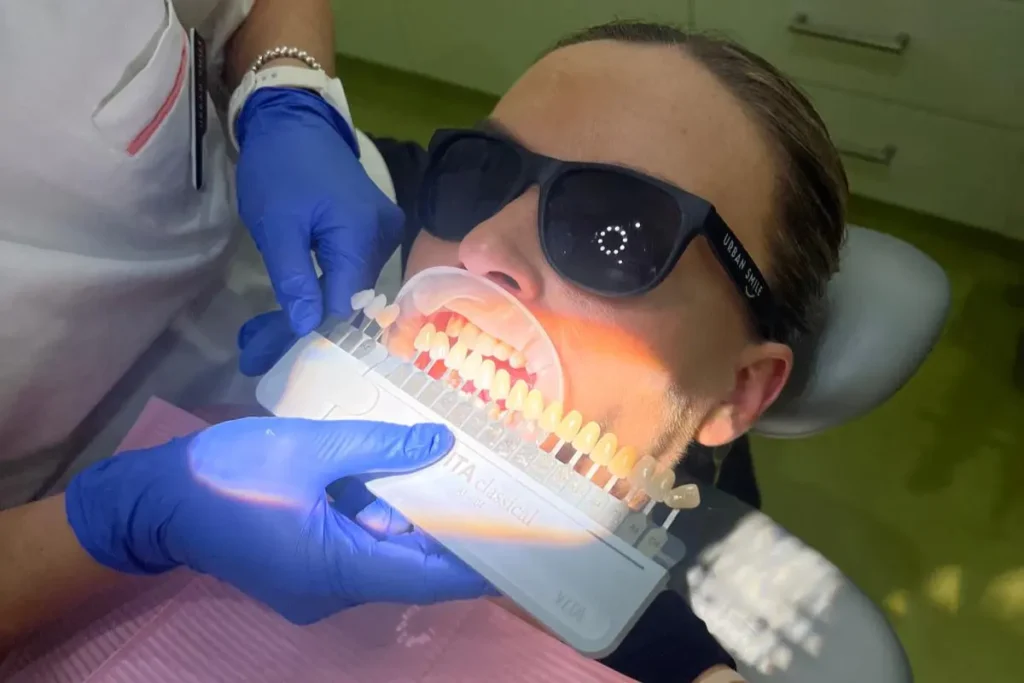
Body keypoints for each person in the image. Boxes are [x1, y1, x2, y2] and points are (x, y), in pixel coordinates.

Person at [238, 20, 848, 682]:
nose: (483, 247)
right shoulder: (233, 472)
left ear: (739, 392)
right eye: (482, 176)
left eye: (615, 233)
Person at [2, 0, 468, 653]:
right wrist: (119, 522)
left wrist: (289, 95)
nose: (496, 258)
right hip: (57, 532)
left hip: (307, 232)